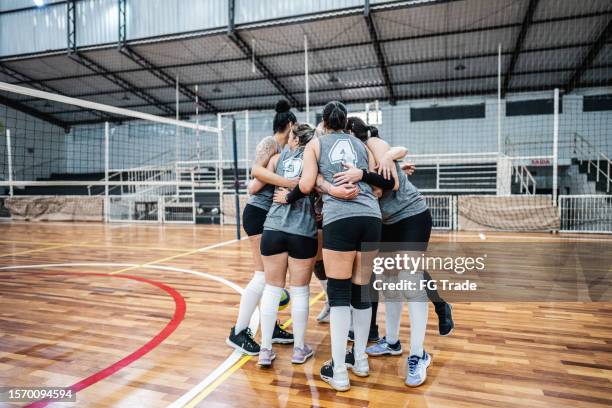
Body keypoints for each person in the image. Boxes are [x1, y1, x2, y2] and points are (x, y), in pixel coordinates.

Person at [345, 117, 453, 387]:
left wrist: (369, 173)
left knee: (411, 282)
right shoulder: (356, 156)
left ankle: (419, 354)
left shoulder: (373, 143)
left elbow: (387, 185)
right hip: (387, 222)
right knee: (390, 283)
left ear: (352, 135)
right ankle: (392, 342)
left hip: (411, 216)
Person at [297, 101, 395, 391]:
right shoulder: (361, 145)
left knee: (338, 294)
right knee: (362, 290)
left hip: (340, 217)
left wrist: (328, 188)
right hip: (371, 217)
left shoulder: (314, 144)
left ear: (324, 123)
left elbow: (305, 185)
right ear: (346, 123)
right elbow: (379, 186)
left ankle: (339, 371)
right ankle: (361, 360)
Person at [226, 100, 296, 355]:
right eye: (295, 127)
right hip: (257, 213)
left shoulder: (286, 151)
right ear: (289, 125)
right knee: (262, 276)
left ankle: (272, 326)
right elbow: (254, 180)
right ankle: (238, 331)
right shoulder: (270, 144)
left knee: (272, 280)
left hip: (270, 217)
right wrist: (289, 183)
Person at [255, 123, 318, 366]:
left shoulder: (277, 160)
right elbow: (316, 185)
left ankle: (265, 349)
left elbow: (256, 179)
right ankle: (299, 349)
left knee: (272, 289)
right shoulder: (315, 160)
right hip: (302, 230)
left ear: (293, 139)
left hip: (273, 228)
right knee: (300, 290)